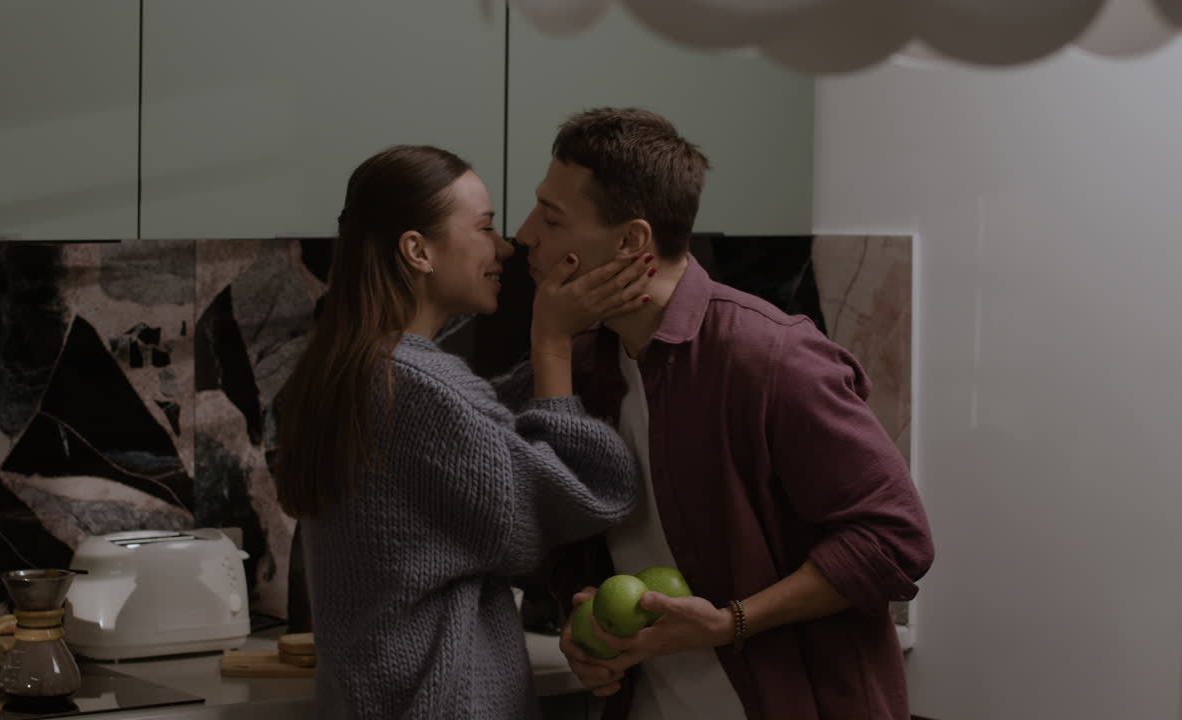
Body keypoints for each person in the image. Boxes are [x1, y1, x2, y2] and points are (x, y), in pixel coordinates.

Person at [517, 108, 935, 720]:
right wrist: (583, 624)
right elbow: (565, 537)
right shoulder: (582, 363)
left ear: (631, 241)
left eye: (551, 218)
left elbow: (896, 540)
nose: (525, 233)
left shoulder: (771, 357)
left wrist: (731, 622)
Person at [273, 145, 654, 719]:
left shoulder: (353, 368)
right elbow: (584, 493)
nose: (505, 247)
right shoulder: (419, 388)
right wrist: (552, 344)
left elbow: (482, 427)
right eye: (484, 227)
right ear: (417, 251)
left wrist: (567, 340)